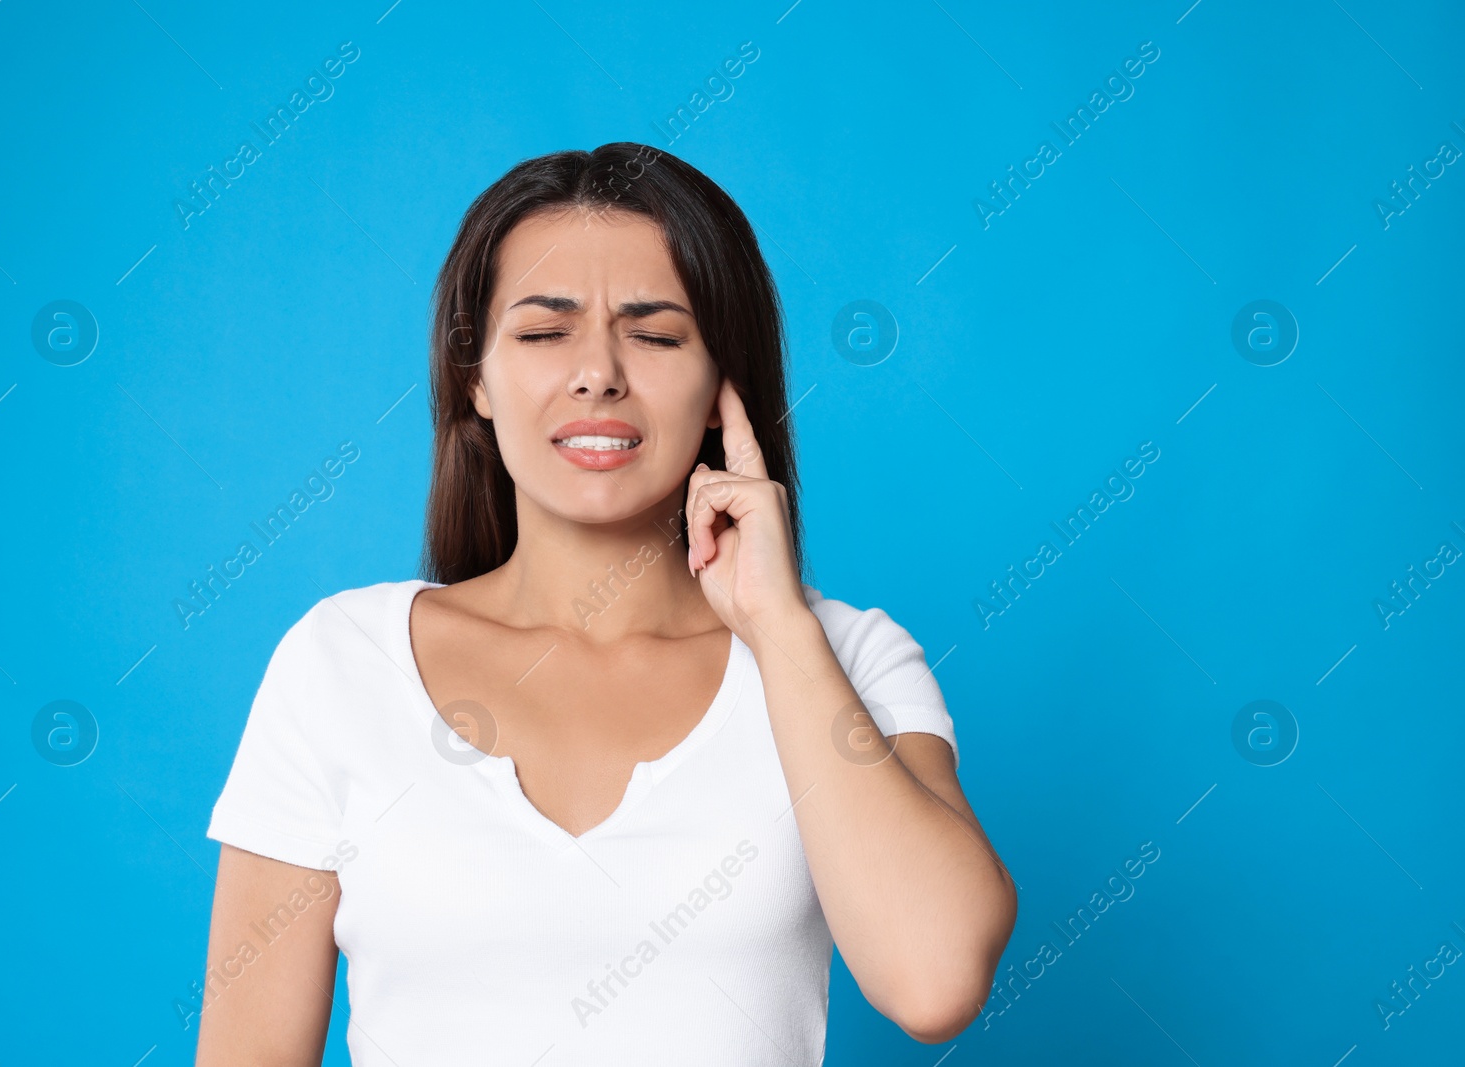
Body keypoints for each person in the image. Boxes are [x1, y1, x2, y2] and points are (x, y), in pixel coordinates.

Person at [195, 142, 1016, 1066]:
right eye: (545, 333)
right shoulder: (342, 662)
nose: (598, 373)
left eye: (657, 335)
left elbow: (935, 981)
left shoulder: (847, 656)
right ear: (476, 377)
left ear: (723, 387)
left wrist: (778, 627)